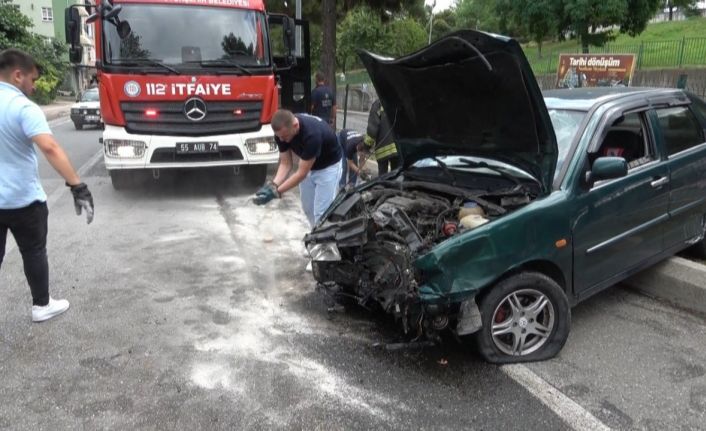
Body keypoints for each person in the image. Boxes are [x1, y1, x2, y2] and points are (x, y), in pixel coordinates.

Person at [0, 48, 94, 322]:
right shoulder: (23, 107)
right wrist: (77, 186)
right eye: (33, 79)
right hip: (22, 199)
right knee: (33, 251)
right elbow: (50, 147)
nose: (34, 85)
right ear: (18, 75)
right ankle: (41, 306)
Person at [253, 110, 342, 229]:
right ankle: (316, 236)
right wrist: (273, 185)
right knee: (308, 208)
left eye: (285, 137)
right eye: (280, 137)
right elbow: (285, 163)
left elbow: (301, 174)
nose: (282, 140)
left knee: (322, 213)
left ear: (295, 125)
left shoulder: (312, 135)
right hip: (308, 166)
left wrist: (277, 192)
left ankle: (324, 243)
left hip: (328, 168)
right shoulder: (281, 133)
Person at [366, 99, 398, 175]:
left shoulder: (378, 104)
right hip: (397, 149)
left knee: (383, 178)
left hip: (382, 150)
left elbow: (372, 129)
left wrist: (366, 146)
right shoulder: (397, 101)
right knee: (396, 175)